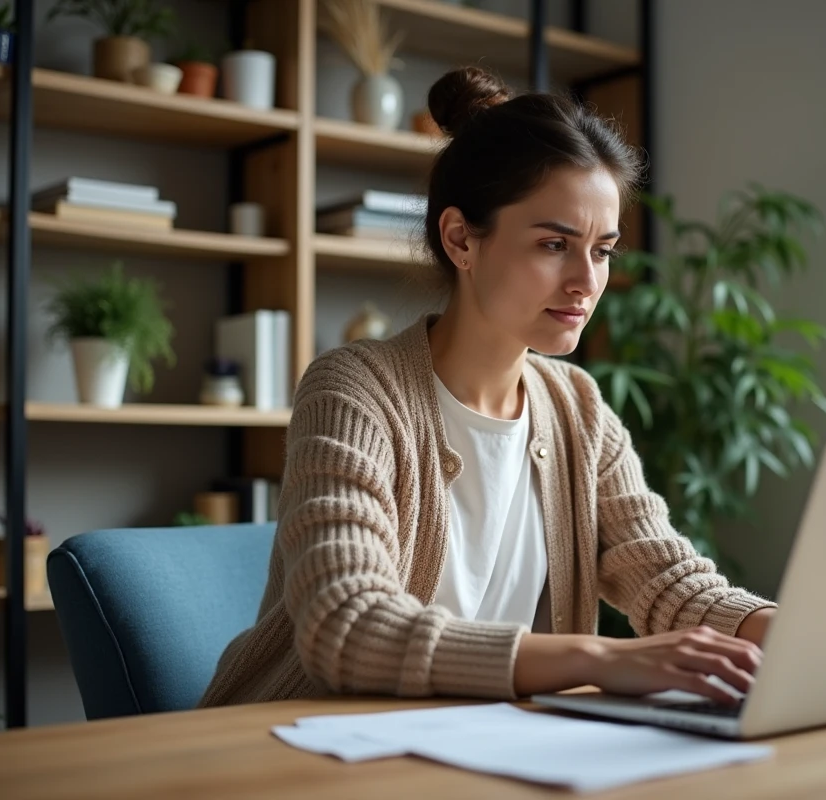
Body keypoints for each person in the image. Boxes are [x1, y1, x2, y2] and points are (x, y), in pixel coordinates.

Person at [199, 67, 776, 710]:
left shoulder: (578, 409)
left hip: (476, 747)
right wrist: (603, 659)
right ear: (460, 239)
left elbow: (670, 583)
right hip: (299, 745)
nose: (587, 281)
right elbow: (349, 625)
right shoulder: (355, 391)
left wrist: (793, 636)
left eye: (603, 250)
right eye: (555, 243)